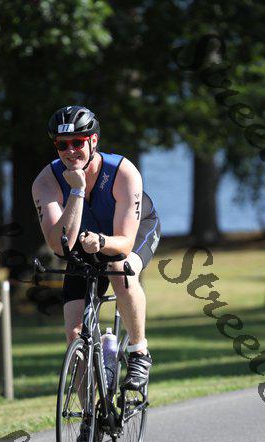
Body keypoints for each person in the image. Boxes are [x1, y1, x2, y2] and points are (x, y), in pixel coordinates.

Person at [32, 105, 161, 391]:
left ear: (93, 141)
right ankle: (87, 414)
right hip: (83, 242)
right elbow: (60, 246)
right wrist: (76, 191)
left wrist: (102, 242)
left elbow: (125, 242)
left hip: (131, 233)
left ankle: (139, 352)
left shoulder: (122, 172)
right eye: (62, 145)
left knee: (120, 266)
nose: (70, 151)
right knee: (74, 334)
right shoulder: (46, 181)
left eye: (78, 142)